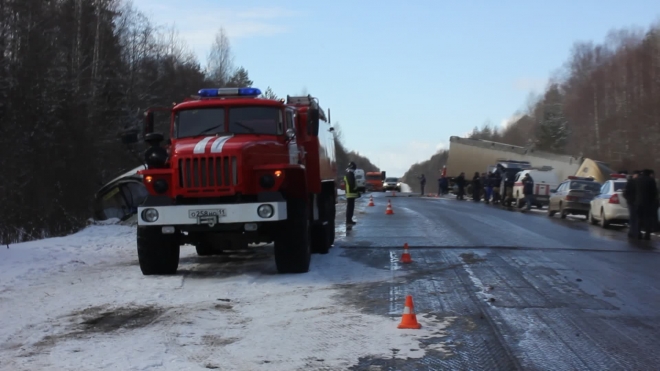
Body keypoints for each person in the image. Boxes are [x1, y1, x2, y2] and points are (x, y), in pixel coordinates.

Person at [635, 169, 658, 240]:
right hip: (648, 203)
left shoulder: (638, 180)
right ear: (649, 173)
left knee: (639, 218)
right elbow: (654, 192)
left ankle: (638, 233)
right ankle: (647, 235)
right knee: (647, 219)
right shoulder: (651, 180)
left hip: (638, 202)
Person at [624, 171, 640, 238]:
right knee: (633, 218)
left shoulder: (638, 182)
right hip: (632, 202)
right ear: (634, 175)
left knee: (635, 218)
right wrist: (629, 199)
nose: (637, 177)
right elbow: (625, 193)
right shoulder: (630, 182)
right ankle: (632, 232)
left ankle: (633, 232)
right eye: (636, 175)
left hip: (635, 202)